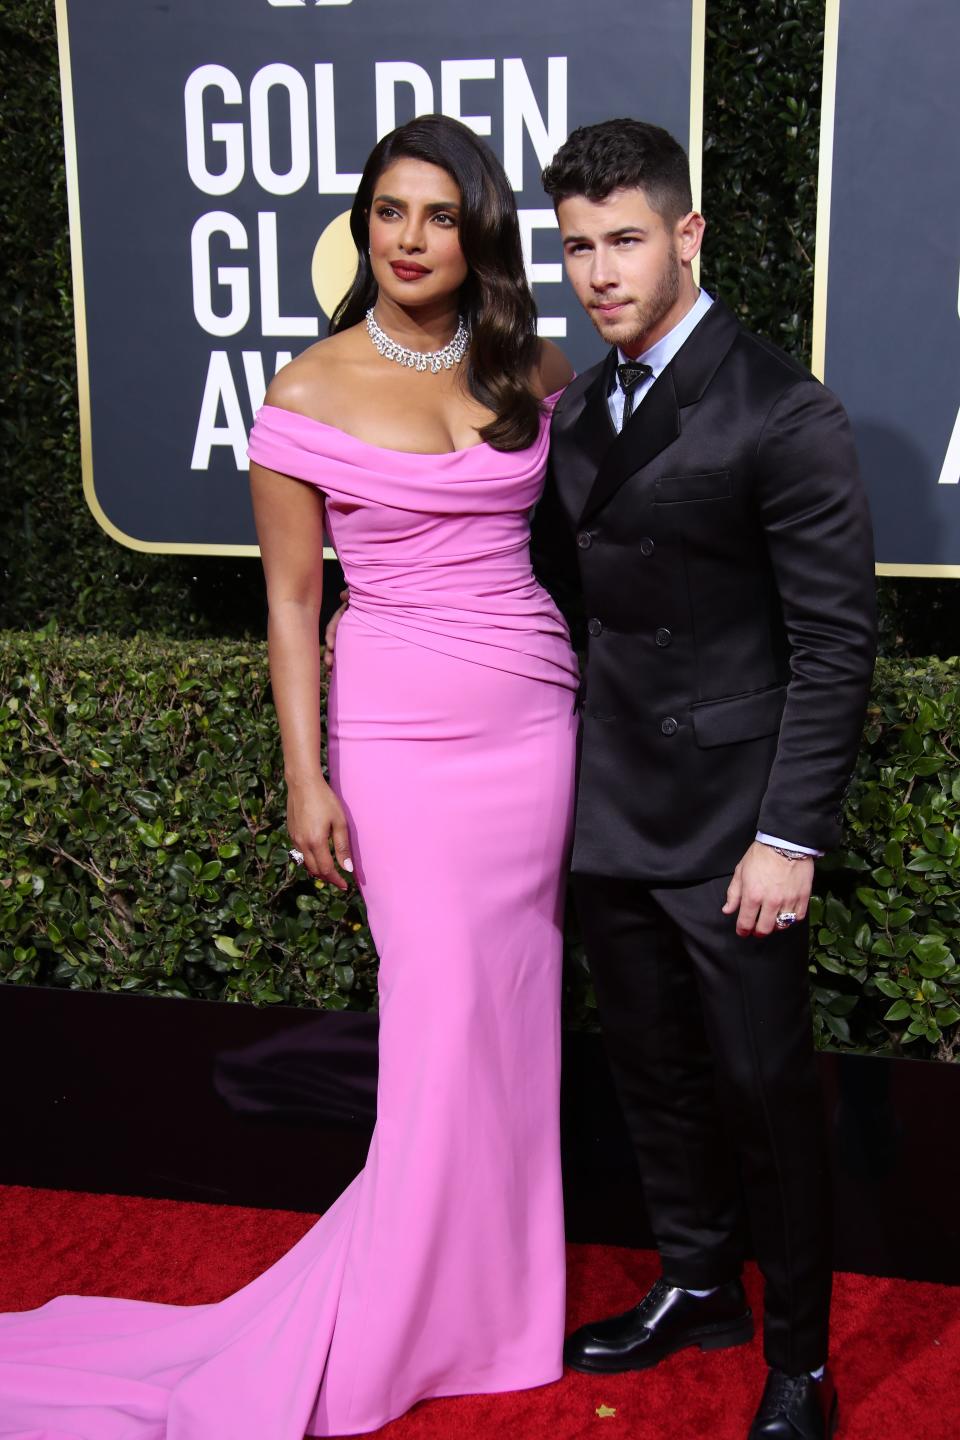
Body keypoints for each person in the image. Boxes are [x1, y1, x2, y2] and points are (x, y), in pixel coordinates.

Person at [0, 115, 577, 1438]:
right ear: (362, 226)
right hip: (402, 748)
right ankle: (394, 1327)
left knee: (513, 1027)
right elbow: (292, 608)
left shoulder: (527, 364)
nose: (413, 238)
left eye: (439, 215)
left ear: (475, 228)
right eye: (390, 213)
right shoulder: (306, 392)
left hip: (536, 730)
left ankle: (495, 1315)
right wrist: (306, 781)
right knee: (437, 1033)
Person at [531, 120, 876, 1440]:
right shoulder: (578, 409)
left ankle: (800, 1359)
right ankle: (694, 1283)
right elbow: (566, 600)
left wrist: (790, 833)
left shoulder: (782, 407)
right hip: (611, 799)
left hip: (736, 823)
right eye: (578, 247)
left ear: (688, 236)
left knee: (764, 1094)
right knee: (655, 1074)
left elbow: (837, 639)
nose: (601, 271)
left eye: (626, 240)